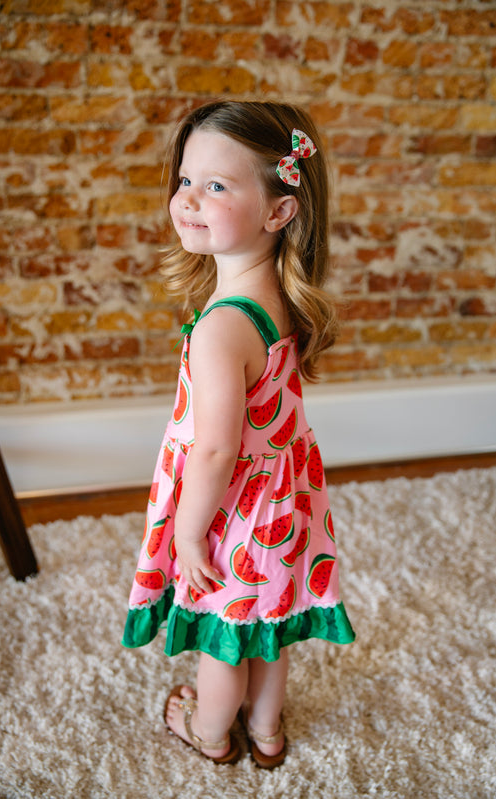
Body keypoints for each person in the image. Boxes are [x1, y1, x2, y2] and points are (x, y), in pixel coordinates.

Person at [122, 100, 355, 768]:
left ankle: (211, 731)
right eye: (186, 179)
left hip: (233, 511)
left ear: (278, 211)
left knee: (225, 637)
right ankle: (268, 730)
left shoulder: (223, 326)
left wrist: (190, 532)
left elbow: (216, 448)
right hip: (284, 505)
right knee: (266, 631)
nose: (187, 198)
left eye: (216, 186)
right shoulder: (281, 297)